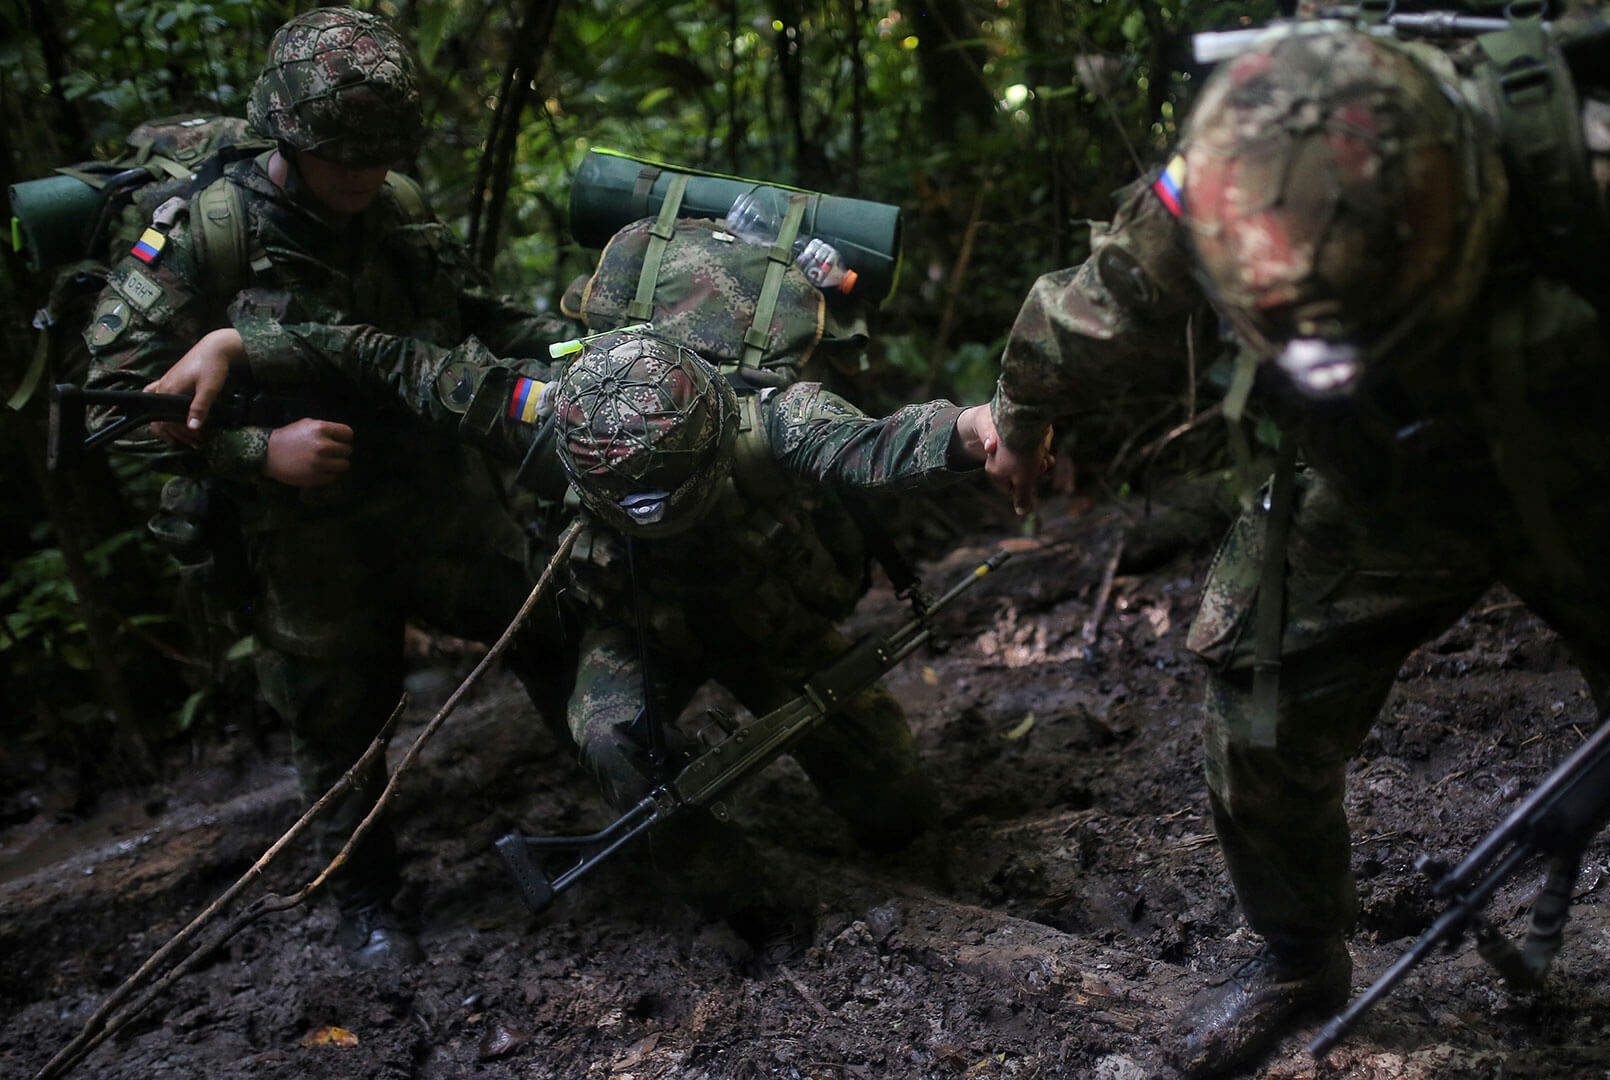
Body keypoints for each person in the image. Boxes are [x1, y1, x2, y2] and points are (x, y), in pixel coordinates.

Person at [983, 7, 1610, 1079]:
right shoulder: (1230, 177)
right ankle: (1293, 952)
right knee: (1259, 690)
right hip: (1394, 477)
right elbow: (1107, 298)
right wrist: (1021, 415)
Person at [149, 312, 1013, 922]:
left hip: (766, 616)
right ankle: (743, 901)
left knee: (896, 808)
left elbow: (878, 445)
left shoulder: (768, 421)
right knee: (607, 734)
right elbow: (388, 359)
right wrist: (238, 343)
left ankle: (885, 831)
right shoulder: (537, 413)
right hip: (639, 626)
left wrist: (979, 428)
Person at [83, 7, 578, 967]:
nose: (360, 179)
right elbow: (118, 410)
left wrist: (583, 358)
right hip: (305, 529)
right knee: (340, 714)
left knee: (545, 621)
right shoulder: (201, 239)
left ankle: (632, 789)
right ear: (288, 137)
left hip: (435, 495)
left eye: (376, 159)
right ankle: (366, 900)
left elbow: (486, 316)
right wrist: (254, 454)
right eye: (341, 159)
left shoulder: (397, 206)